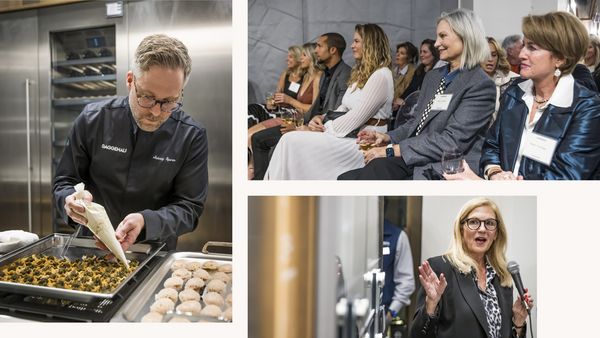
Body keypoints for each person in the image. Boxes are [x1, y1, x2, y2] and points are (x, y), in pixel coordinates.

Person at [53, 34, 208, 251]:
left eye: (170, 101)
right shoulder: (93, 119)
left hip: (154, 250)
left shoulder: (192, 135)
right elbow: (64, 182)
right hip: (90, 247)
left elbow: (189, 207)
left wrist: (147, 222)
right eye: (147, 97)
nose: (156, 111)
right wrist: (68, 201)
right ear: (129, 81)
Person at [339, 9, 495, 180]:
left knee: (376, 168)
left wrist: (393, 150)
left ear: (466, 37)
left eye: (443, 36)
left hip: (445, 164)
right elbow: (417, 122)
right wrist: (386, 137)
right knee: (344, 178)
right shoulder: (434, 77)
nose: (436, 44)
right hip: (416, 158)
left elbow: (451, 141)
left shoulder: (480, 85)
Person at [451, 11, 600, 181]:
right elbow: (492, 145)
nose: (521, 54)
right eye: (523, 45)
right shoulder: (514, 93)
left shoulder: (587, 108)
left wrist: (484, 185)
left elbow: (565, 180)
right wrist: (495, 173)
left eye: (532, 48)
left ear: (560, 59)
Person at [264, 23, 393, 180]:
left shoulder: (381, 75)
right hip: (348, 134)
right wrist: (322, 118)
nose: (352, 46)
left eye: (357, 41)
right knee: (288, 139)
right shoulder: (361, 73)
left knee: (290, 140)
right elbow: (344, 107)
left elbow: (356, 117)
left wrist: (322, 128)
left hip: (365, 142)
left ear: (371, 44)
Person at [410, 198, 534, 338]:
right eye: (474, 222)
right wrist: (430, 306)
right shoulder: (440, 268)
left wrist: (518, 321)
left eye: (489, 223)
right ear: (461, 229)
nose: (482, 229)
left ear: (496, 234)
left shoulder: (502, 277)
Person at [250, 32, 351, 180]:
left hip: (322, 129)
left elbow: (338, 111)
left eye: (319, 46)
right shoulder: (325, 74)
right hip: (306, 122)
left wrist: (300, 127)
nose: (316, 50)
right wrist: (299, 122)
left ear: (332, 50)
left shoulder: (345, 74)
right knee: (257, 137)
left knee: (261, 139)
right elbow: (316, 107)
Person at [248, 43, 323, 179]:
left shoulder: (317, 77)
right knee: (249, 128)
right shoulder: (306, 77)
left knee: (253, 137)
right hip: (289, 114)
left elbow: (314, 108)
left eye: (303, 55)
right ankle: (253, 171)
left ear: (311, 58)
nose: (301, 59)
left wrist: (289, 101)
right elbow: (281, 95)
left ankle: (254, 172)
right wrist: (279, 101)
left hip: (295, 118)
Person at [248, 45, 304, 127]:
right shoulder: (285, 74)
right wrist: (272, 102)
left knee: (258, 115)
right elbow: (277, 94)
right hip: (280, 109)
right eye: (287, 56)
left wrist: (289, 100)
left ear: (298, 59)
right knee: (252, 108)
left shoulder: (306, 77)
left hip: (292, 113)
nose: (286, 59)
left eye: (290, 57)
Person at [383, 219, 415, 321]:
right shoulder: (354, 233)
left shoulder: (398, 236)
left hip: (384, 313)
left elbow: (407, 282)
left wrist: (391, 313)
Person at [481, 36, 519, 121]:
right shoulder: (469, 80)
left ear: (498, 57)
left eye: (494, 55)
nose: (490, 59)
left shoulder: (512, 79)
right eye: (485, 55)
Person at [392, 42, 419, 111]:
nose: (397, 54)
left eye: (402, 53)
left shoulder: (414, 73)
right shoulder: (392, 71)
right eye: (397, 52)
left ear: (409, 58)